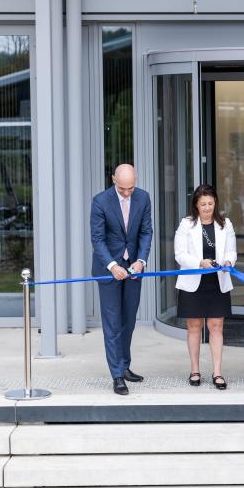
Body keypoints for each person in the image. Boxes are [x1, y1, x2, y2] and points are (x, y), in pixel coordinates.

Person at [90, 164, 152, 396]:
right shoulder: (100, 201)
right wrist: (113, 265)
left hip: (134, 269)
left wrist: (141, 261)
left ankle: (124, 365)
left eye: (131, 188)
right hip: (109, 270)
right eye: (122, 188)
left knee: (128, 320)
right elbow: (97, 239)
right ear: (113, 179)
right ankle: (117, 375)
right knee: (112, 324)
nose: (127, 193)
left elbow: (147, 232)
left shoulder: (143, 198)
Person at [175, 185, 237, 389]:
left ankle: (217, 372)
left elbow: (231, 251)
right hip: (193, 281)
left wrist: (228, 262)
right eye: (203, 204)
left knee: (216, 327)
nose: (207, 207)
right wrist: (199, 263)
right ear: (196, 205)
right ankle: (194, 370)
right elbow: (180, 254)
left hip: (217, 282)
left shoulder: (225, 224)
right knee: (194, 326)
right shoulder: (186, 225)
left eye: (210, 203)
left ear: (215, 203)